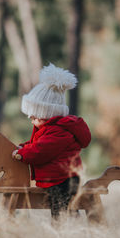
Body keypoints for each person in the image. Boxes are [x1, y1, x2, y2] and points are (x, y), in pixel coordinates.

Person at [12, 63, 91, 219]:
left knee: (62, 209)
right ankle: (66, 229)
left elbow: (41, 150)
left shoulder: (59, 132)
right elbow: (35, 145)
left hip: (65, 180)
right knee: (60, 208)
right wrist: (22, 148)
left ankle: (67, 232)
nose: (30, 118)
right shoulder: (47, 129)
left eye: (34, 116)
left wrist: (22, 154)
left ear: (47, 113)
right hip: (57, 179)